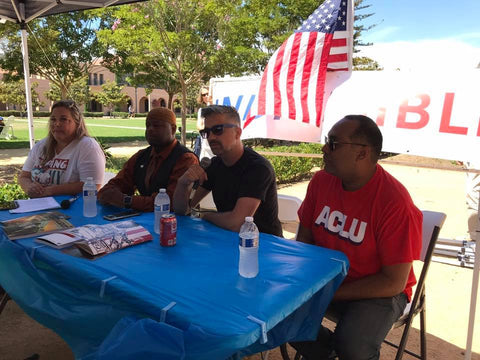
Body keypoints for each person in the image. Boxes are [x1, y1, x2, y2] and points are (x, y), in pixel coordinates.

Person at [291, 115, 422, 360]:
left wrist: (329, 292)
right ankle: (326, 353)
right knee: (277, 313)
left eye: (333, 143)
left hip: (378, 290)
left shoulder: (394, 203)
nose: (324, 149)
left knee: (353, 346)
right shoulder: (321, 181)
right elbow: (305, 239)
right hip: (328, 277)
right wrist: (302, 281)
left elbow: (393, 282)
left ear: (362, 153)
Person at [173, 105, 283, 236]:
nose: (211, 137)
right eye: (206, 132)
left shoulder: (258, 168)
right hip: (227, 240)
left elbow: (237, 223)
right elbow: (183, 210)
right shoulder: (215, 164)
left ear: (237, 133)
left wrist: (205, 216)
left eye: (218, 130)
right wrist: (182, 183)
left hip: (264, 245)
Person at [98, 107, 198, 212]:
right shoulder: (141, 156)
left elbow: (171, 202)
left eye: (156, 126)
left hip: (173, 223)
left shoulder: (186, 159)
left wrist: (127, 201)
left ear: (173, 129)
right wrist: (109, 194)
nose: (150, 129)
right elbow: (117, 185)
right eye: (148, 126)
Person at [18, 100, 105, 198]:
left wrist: (51, 191)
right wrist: (29, 187)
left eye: (63, 119)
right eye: (53, 119)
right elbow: (24, 177)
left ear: (77, 122)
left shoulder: (87, 146)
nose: (57, 124)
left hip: (72, 208)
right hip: (39, 207)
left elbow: (92, 185)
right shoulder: (41, 146)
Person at [194, 87, 214, 159]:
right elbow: (199, 126)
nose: (206, 96)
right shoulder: (202, 111)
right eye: (203, 95)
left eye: (208, 94)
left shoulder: (221, 109)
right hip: (206, 146)